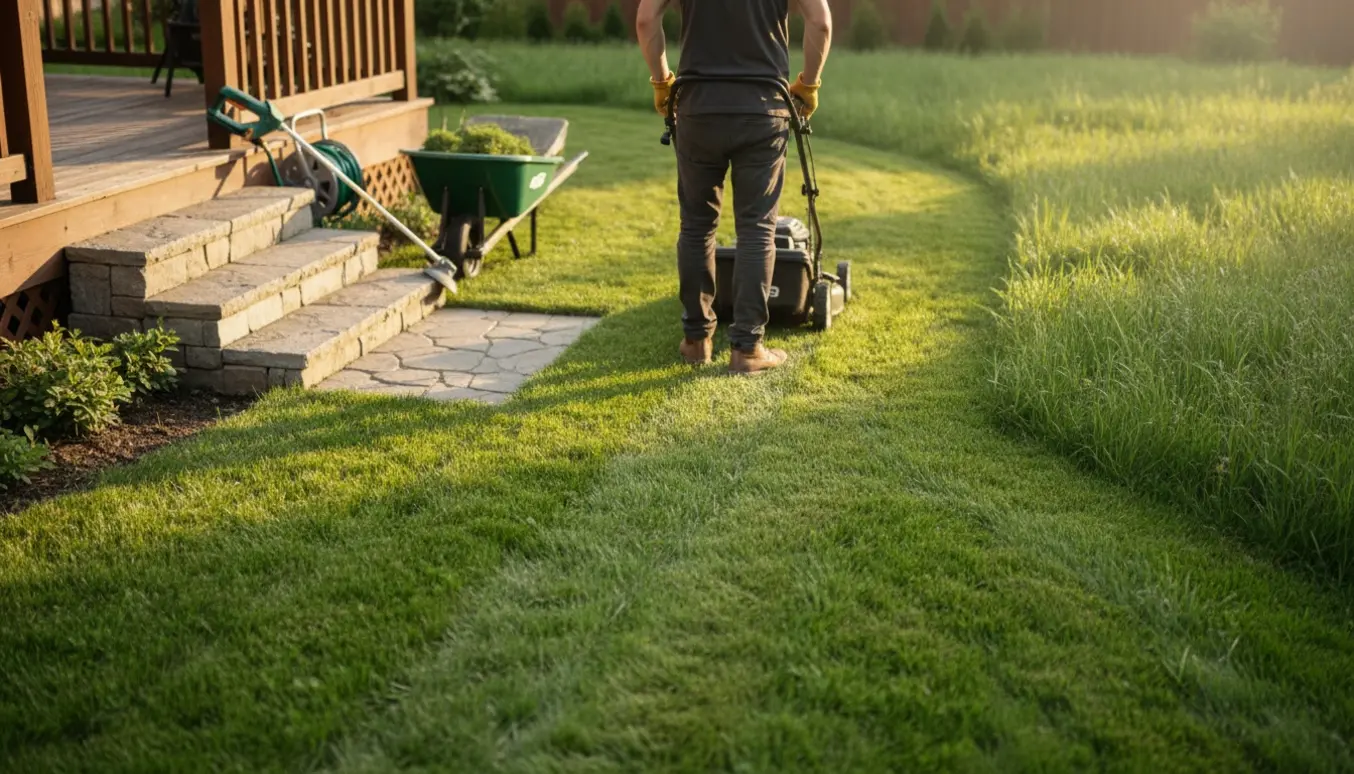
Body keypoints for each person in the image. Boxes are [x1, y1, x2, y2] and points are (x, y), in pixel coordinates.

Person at [635, 0, 833, 374]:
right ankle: (747, 348)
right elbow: (820, 23)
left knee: (696, 225)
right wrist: (808, 84)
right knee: (757, 228)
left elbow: (646, 19)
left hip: (698, 107)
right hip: (763, 109)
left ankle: (696, 341)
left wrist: (662, 82)